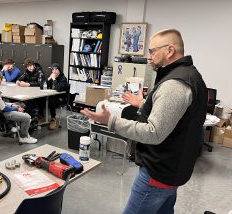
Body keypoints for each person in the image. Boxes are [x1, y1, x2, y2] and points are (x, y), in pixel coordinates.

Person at [81, 29, 207, 214]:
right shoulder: (189, 74)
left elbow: (153, 133)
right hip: (173, 169)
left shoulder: (174, 84)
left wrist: (112, 121)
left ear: (170, 50)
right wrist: (142, 103)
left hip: (159, 172)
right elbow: (176, 118)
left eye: (152, 51)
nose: (149, 57)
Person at [0, 70, 37, 144]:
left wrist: (12, 105)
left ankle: (18, 125)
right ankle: (24, 137)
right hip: (0, 114)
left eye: (0, 78)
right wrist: (16, 108)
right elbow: (4, 108)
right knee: (27, 117)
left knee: (20, 104)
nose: (0, 80)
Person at [16, 58, 46, 124]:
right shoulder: (27, 71)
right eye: (28, 66)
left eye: (31, 66)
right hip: (30, 91)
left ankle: (40, 116)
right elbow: (22, 77)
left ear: (34, 65)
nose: (30, 68)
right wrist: (18, 81)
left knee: (36, 101)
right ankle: (29, 116)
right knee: (26, 101)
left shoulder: (39, 71)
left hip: (39, 92)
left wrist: (28, 84)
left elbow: (40, 83)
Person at [46, 63, 68, 130]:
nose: (54, 71)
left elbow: (59, 89)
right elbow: (42, 86)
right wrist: (49, 79)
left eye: (56, 69)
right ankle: (41, 116)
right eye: (53, 69)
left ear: (59, 70)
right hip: (52, 95)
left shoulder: (63, 79)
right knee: (41, 99)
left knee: (52, 99)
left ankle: (53, 119)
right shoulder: (52, 77)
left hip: (61, 98)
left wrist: (54, 79)